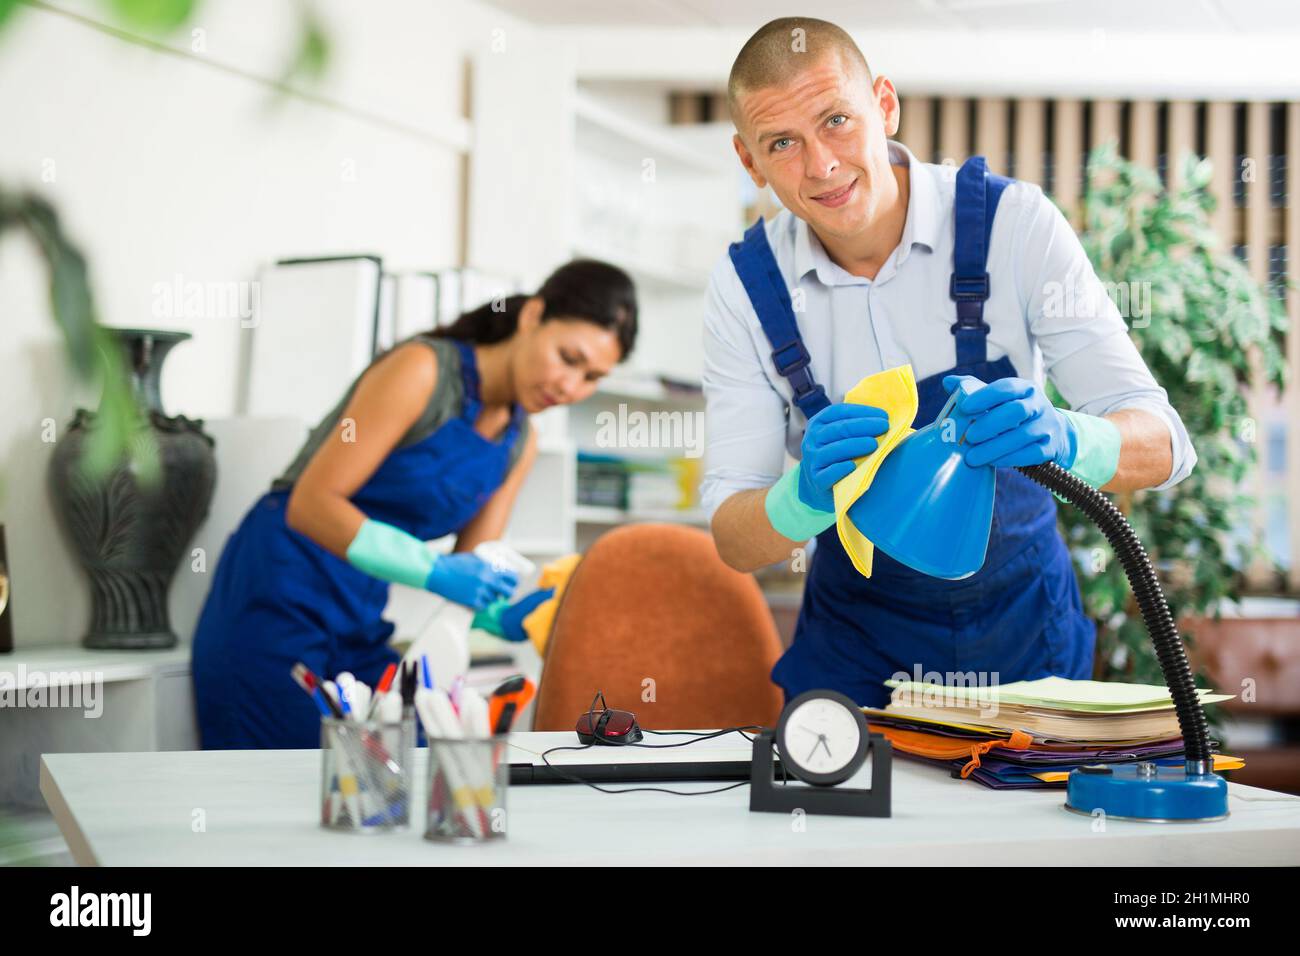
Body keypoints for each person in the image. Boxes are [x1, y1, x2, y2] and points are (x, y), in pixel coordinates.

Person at [703, 18, 1195, 707]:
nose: (821, 165)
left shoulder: (1013, 227)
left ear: (884, 104)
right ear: (749, 160)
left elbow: (1169, 445)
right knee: (833, 812)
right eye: (782, 143)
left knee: (1028, 813)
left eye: (837, 120)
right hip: (855, 653)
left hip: (1024, 640)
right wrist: (801, 497)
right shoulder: (745, 288)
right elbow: (735, 540)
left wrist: (1070, 438)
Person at [192, 260, 638, 748]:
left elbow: (470, 566)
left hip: (359, 612)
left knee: (410, 750)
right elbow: (312, 505)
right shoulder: (423, 370)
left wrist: (503, 615)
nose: (571, 387)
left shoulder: (519, 442)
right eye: (568, 358)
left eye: (592, 376)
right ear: (532, 316)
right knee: (282, 773)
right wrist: (435, 570)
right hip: (278, 590)